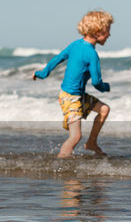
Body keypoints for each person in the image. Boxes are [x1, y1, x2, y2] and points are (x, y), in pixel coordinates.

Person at [33, 9, 113, 158]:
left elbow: (58, 58)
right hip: (71, 98)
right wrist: (105, 87)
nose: (109, 34)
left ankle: (91, 143)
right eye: (107, 30)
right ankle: (61, 163)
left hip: (74, 95)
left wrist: (42, 73)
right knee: (75, 137)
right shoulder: (92, 54)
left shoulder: (75, 44)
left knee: (104, 109)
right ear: (97, 31)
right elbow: (96, 82)